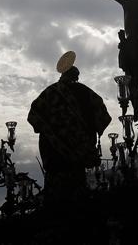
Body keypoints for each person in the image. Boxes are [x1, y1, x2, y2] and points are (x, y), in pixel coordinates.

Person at [27, 51, 112, 205]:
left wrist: (51, 127)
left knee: (60, 195)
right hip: (77, 152)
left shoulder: (50, 92)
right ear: (75, 76)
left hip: (55, 153)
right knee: (76, 192)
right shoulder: (86, 92)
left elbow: (33, 116)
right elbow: (103, 116)